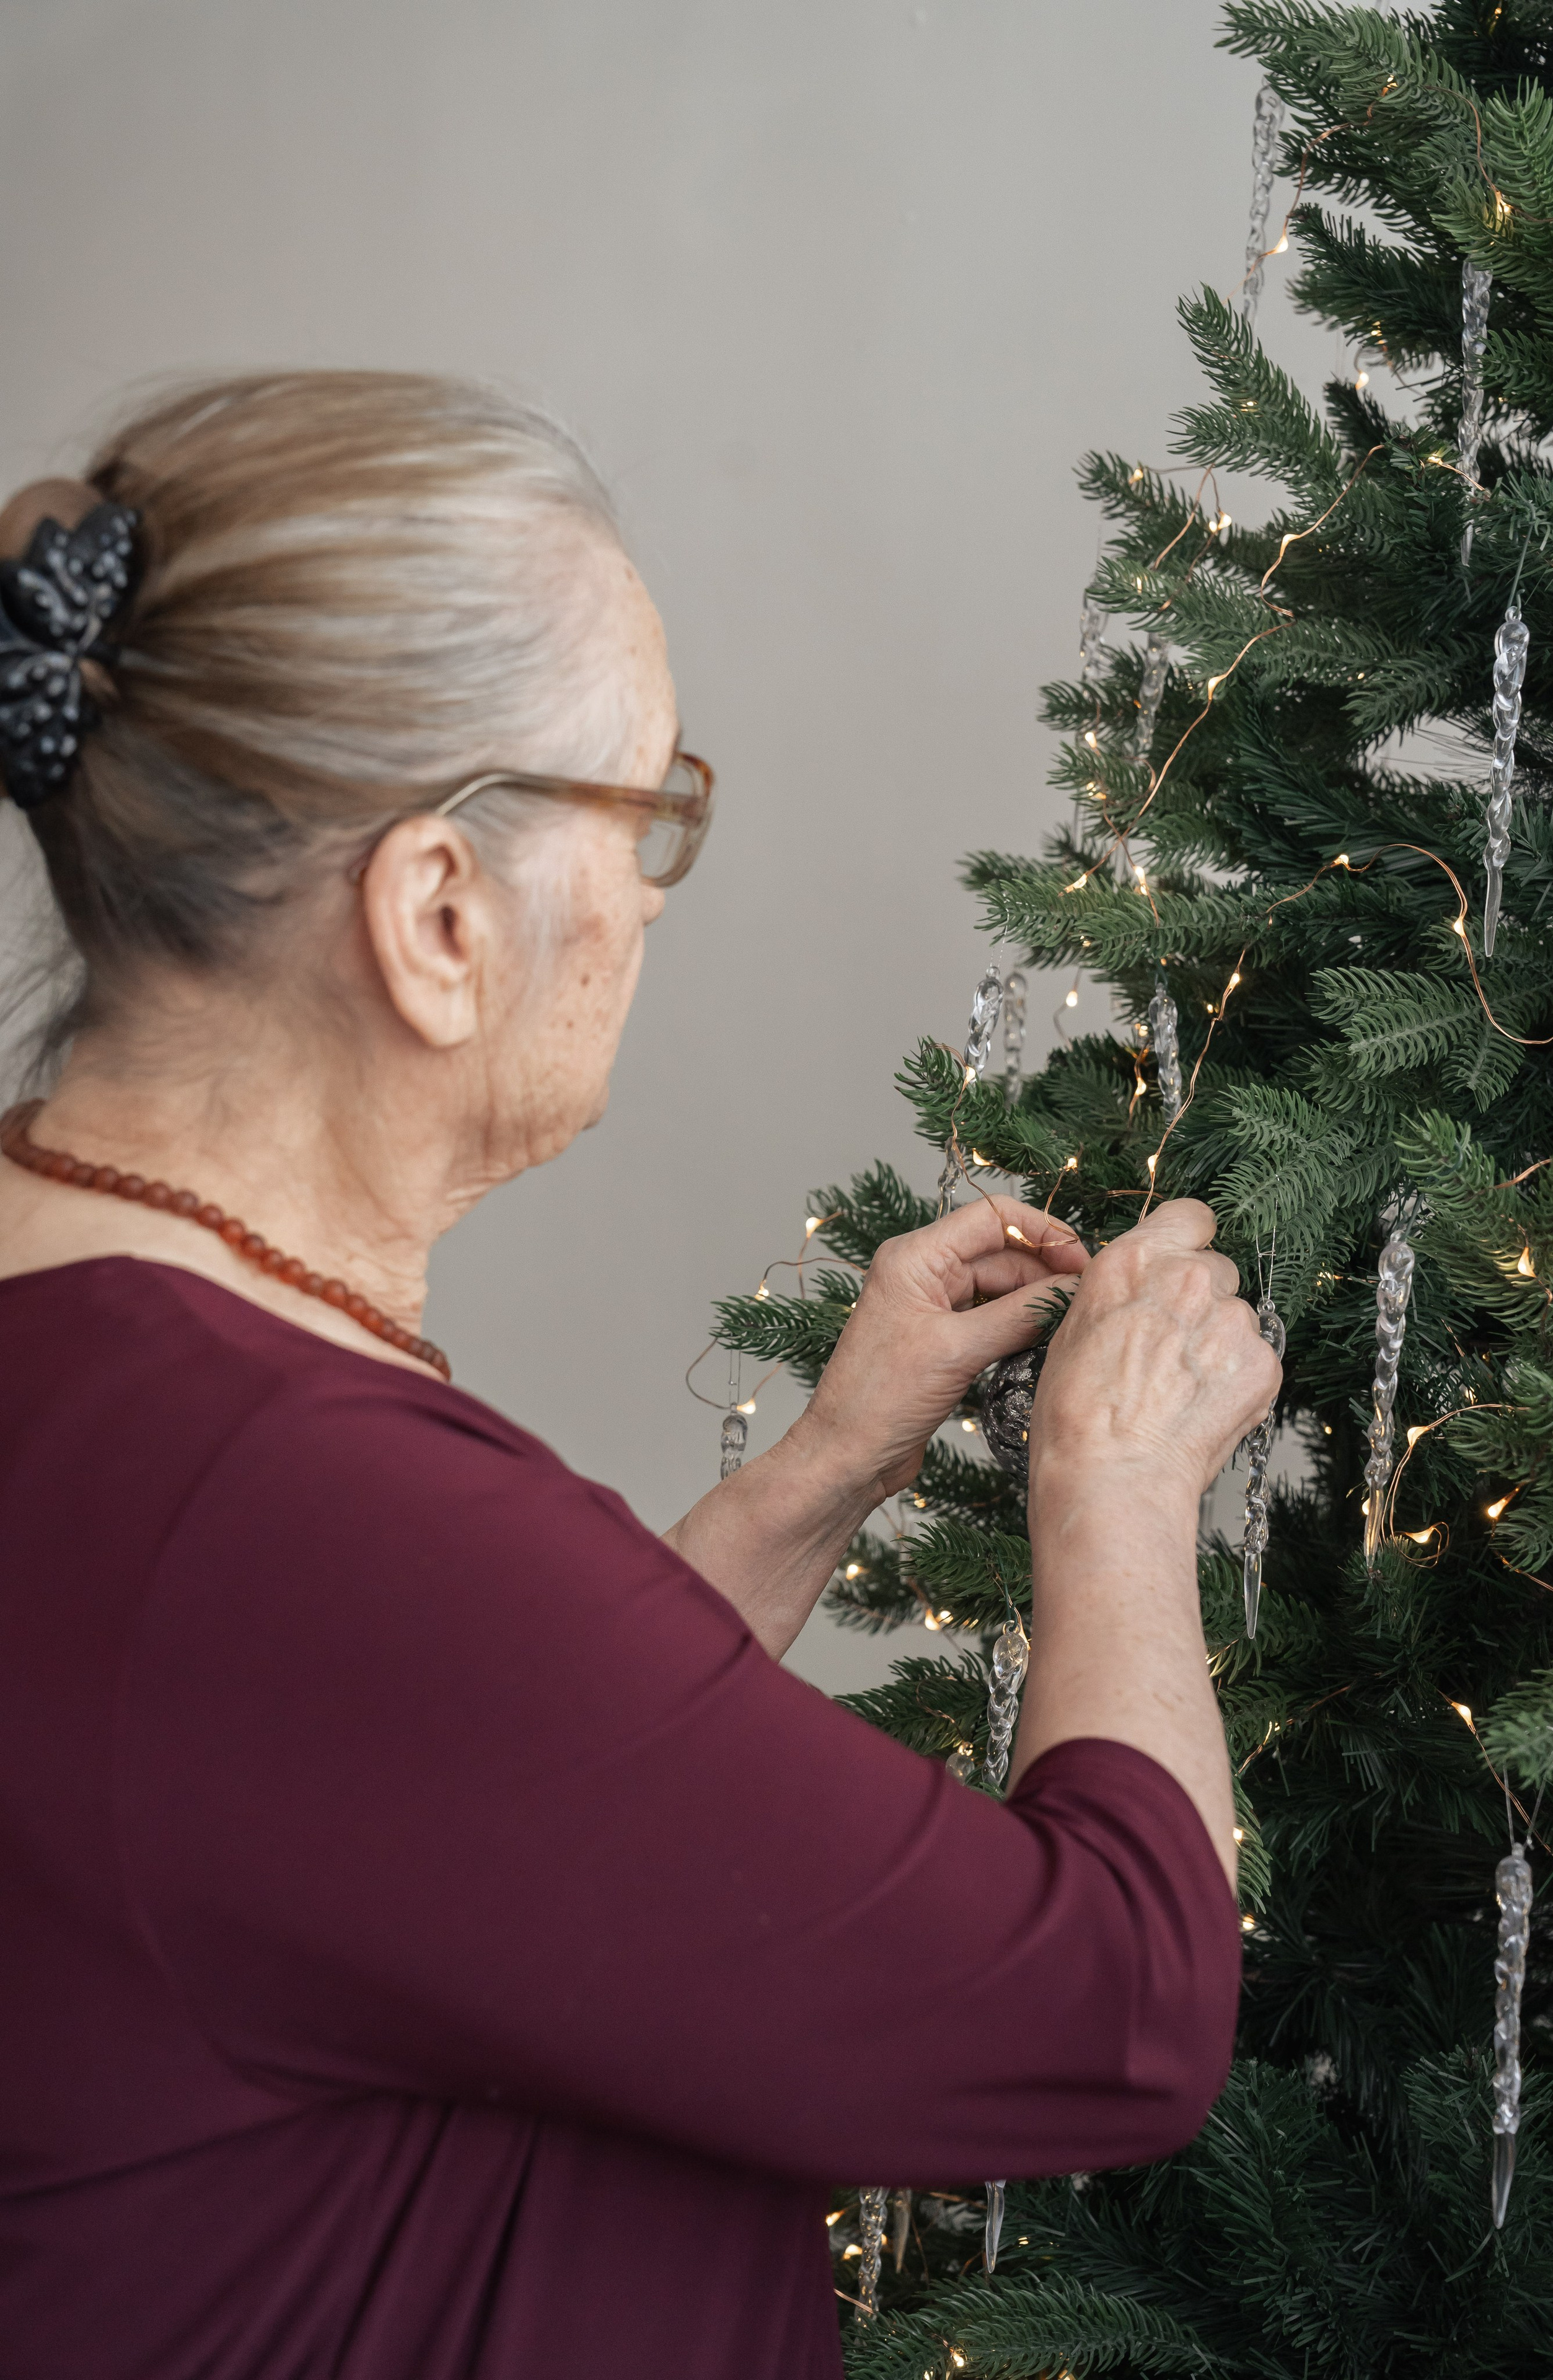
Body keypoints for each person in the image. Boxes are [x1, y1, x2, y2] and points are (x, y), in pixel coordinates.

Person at [0, 372, 1280, 2380]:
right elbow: (1105, 2014)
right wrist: (1116, 1491)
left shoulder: (95, 1334)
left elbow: (429, 1819)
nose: (659, 889)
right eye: (649, 801)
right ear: (437, 913)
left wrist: (827, 1464)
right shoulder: (292, 1512)